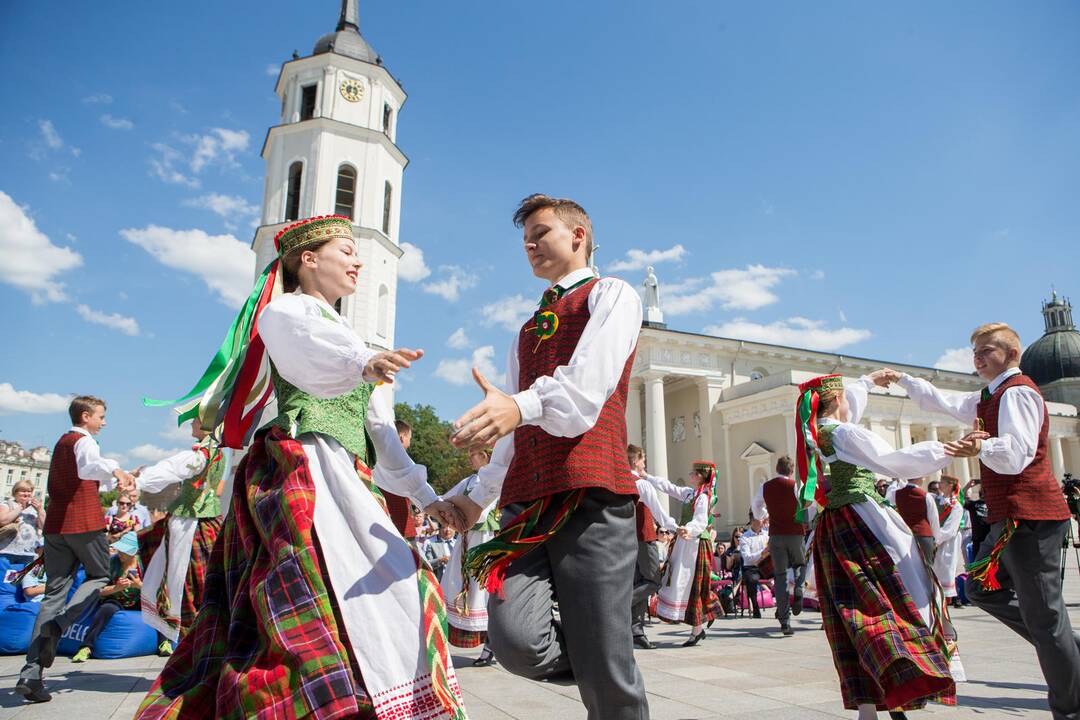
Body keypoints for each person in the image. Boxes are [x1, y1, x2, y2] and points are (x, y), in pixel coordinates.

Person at [135, 215, 467, 720]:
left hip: (347, 478)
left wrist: (430, 500)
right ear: (309, 260)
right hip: (300, 472)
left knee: (394, 590)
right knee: (305, 618)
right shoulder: (285, 311)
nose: (357, 260)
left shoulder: (349, 337)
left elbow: (380, 433)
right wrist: (363, 363)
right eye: (347, 251)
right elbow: (308, 354)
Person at [447, 194, 648, 719]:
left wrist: (518, 405)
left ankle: (609, 669)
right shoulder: (526, 330)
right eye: (525, 240)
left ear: (578, 236)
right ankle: (606, 662)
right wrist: (476, 496)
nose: (530, 245)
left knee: (606, 665)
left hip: (591, 495)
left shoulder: (613, 294)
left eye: (541, 233)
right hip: (525, 504)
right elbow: (513, 432)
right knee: (514, 641)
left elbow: (583, 395)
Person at [884, 321, 1080, 719]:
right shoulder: (988, 396)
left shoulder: (1018, 392)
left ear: (1011, 354)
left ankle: (1070, 706)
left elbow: (1017, 454)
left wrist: (982, 443)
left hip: (1031, 517)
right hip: (1011, 519)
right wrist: (904, 379)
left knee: (1045, 617)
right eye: (974, 351)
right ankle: (1066, 650)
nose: (977, 357)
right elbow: (944, 403)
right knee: (980, 589)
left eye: (986, 350)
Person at [796, 373, 968, 719]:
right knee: (895, 602)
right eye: (845, 398)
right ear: (835, 402)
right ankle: (904, 680)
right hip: (865, 522)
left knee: (851, 614)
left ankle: (867, 707)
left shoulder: (815, 435)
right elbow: (894, 461)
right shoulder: (844, 433)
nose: (850, 405)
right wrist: (948, 449)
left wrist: (867, 381)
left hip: (834, 526)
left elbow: (849, 415)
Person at [16, 396, 135, 704]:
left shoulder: (61, 442)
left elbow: (79, 478)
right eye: (101, 416)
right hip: (83, 523)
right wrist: (118, 470)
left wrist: (111, 480)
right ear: (86, 416)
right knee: (98, 575)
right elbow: (89, 466)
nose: (104, 422)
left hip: (55, 526)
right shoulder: (84, 441)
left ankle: (31, 674)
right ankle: (63, 623)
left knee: (53, 594)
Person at [131, 417, 226, 655]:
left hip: (191, 525)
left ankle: (197, 647)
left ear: (205, 424)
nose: (191, 424)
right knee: (200, 586)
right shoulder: (218, 451)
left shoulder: (200, 454)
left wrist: (138, 481)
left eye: (195, 420)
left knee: (187, 587)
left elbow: (172, 468)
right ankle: (201, 646)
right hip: (206, 522)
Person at [649, 463, 723, 645]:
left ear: (699, 476)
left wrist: (688, 530)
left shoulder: (703, 497)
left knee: (694, 586)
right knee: (686, 585)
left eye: (693, 473)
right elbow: (670, 487)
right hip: (686, 542)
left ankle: (703, 620)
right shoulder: (691, 493)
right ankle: (699, 627)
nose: (690, 475)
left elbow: (700, 521)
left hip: (696, 544)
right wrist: (647, 477)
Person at [440, 447, 500, 665]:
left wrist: (458, 507)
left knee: (484, 592)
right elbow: (444, 498)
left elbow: (483, 511)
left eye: (471, 455)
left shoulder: (497, 478)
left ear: (484, 455)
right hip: (466, 543)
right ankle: (482, 643)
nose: (469, 460)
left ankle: (490, 645)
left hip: (487, 542)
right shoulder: (468, 481)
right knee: (456, 585)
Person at [627, 445, 678, 650]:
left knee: (639, 581)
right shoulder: (641, 485)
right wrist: (677, 528)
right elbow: (659, 513)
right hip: (644, 537)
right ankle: (619, 605)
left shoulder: (618, 481)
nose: (644, 465)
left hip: (626, 541)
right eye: (643, 461)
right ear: (635, 461)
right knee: (654, 581)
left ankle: (636, 631)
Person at [751, 455, 807, 636]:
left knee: (780, 577)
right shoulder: (795, 486)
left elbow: (756, 505)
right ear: (791, 470)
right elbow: (805, 507)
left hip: (775, 535)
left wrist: (761, 517)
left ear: (776, 468)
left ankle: (784, 622)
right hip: (795, 533)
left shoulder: (765, 487)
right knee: (801, 564)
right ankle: (799, 587)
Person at [71, 531, 145, 663]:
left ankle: (164, 642)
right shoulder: (111, 563)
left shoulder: (144, 565)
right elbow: (96, 591)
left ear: (134, 552)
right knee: (106, 609)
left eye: (125, 550)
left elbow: (156, 592)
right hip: (115, 600)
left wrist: (139, 585)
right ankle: (86, 647)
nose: (120, 553)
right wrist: (116, 588)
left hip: (139, 600)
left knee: (158, 608)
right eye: (120, 549)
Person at [887, 478, 941, 564]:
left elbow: (887, 500)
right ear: (918, 478)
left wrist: (895, 482)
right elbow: (933, 519)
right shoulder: (925, 495)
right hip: (924, 534)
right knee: (928, 567)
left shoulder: (896, 493)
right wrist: (936, 540)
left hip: (905, 534)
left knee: (911, 566)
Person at [383, 419, 418, 545]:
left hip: (381, 526)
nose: (410, 442)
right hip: (402, 529)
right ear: (402, 438)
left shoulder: (376, 460)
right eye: (410, 438)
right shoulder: (405, 463)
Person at [932, 477, 966, 606]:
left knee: (945, 567)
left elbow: (950, 529)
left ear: (950, 485)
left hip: (947, 543)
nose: (939, 484)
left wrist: (936, 539)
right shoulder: (937, 500)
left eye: (942, 482)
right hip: (935, 540)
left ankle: (944, 604)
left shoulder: (956, 505)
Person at [0, 481, 45, 565]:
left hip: (28, 553)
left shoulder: (35, 509)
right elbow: (3, 521)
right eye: (23, 491)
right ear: (15, 492)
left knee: (27, 578)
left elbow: (44, 527)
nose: (26, 494)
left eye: (29, 491)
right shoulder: (7, 505)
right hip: (6, 552)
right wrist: (20, 508)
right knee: (4, 578)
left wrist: (40, 510)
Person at [737, 516, 769, 620]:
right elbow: (747, 558)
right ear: (752, 521)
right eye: (761, 518)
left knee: (782, 574)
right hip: (751, 567)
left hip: (767, 565)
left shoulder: (767, 534)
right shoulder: (745, 537)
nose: (763, 520)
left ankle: (781, 609)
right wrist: (762, 553)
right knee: (751, 579)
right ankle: (755, 607)